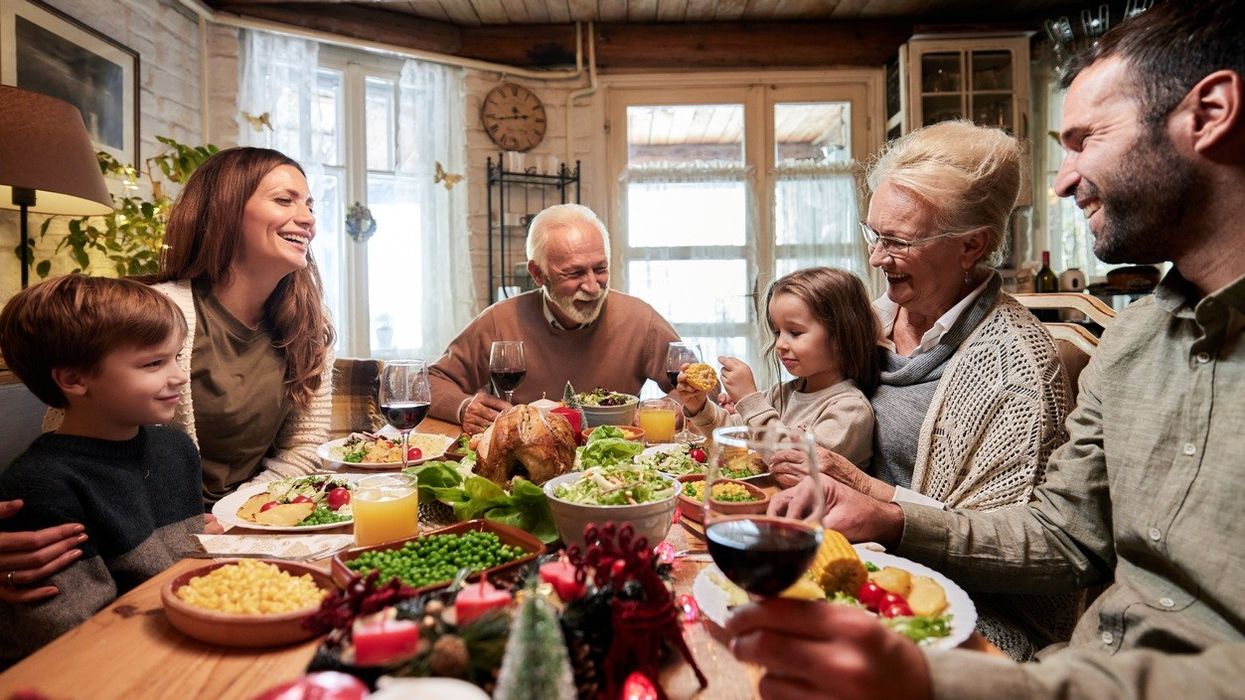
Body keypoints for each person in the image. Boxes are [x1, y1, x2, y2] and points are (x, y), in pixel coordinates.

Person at [737, 1, 1245, 696]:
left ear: (1210, 112)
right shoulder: (1133, 344)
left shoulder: (1017, 364)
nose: (1062, 180)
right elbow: (1063, 536)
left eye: (1084, 139)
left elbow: (1042, 581)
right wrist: (886, 514)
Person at [769, 120, 1075, 658]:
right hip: (856, 563)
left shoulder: (1019, 369)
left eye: (897, 241)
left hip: (970, 615)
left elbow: (1022, 552)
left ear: (971, 245)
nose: (875, 258)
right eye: (873, 234)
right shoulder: (874, 317)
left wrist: (876, 497)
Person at [0, 147, 335, 598]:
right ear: (226, 210)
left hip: (243, 526)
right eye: (285, 200)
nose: (308, 217)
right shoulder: (160, 315)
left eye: (310, 204)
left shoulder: (309, 328)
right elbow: (77, 448)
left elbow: (304, 447)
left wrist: (244, 514)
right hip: (145, 542)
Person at [0, 276, 207, 666]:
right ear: (74, 379)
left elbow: (190, 571)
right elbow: (69, 636)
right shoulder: (41, 485)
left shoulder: (175, 449)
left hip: (185, 635)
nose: (179, 376)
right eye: (153, 363)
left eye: (176, 357)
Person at [428, 203, 680, 435]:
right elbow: (431, 381)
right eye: (574, 272)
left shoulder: (639, 319)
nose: (593, 287)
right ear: (538, 274)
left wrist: (675, 406)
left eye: (600, 269)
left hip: (617, 467)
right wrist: (462, 407)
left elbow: (700, 388)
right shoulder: (499, 321)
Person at [673, 267, 877, 468]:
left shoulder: (850, 409)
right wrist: (699, 406)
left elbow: (794, 461)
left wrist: (749, 400)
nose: (780, 344)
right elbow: (733, 437)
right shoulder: (782, 394)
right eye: (777, 332)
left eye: (795, 332)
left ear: (840, 336)